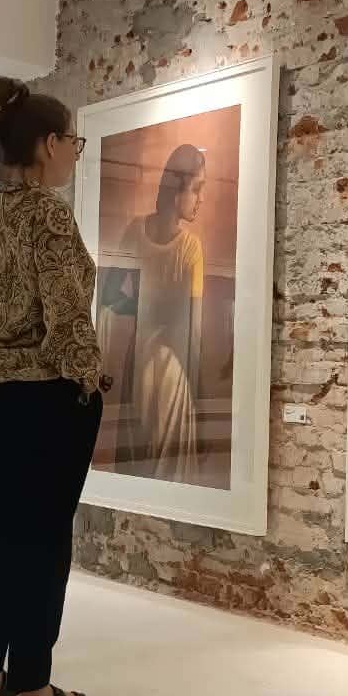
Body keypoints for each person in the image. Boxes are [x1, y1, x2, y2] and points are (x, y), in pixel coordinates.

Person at [0, 77, 106, 696]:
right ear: (47, 144)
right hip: (50, 397)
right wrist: (87, 377)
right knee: (43, 539)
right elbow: (66, 309)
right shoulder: (49, 213)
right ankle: (37, 692)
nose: (76, 152)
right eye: (74, 141)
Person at [99, 144, 206, 483]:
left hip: (139, 364)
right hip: (174, 372)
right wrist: (200, 398)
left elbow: (108, 294)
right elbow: (194, 332)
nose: (200, 199)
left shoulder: (135, 230)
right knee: (170, 477)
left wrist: (141, 307)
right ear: (178, 190)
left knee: (139, 466)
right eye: (197, 189)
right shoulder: (191, 248)